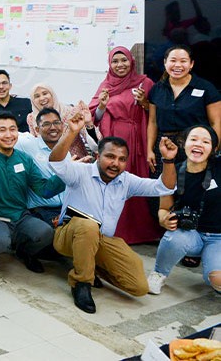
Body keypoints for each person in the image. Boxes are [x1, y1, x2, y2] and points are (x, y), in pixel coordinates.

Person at [49, 112, 178, 314]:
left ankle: (90, 267)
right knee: (87, 224)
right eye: (110, 156)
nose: (115, 163)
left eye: (121, 159)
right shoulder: (80, 172)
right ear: (98, 156)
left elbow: (165, 188)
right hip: (68, 236)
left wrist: (168, 160)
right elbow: (57, 162)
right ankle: (81, 283)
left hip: (101, 241)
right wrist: (71, 133)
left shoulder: (126, 181)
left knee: (139, 286)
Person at [0, 112, 65, 273]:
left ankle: (26, 252)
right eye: (2, 130)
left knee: (46, 233)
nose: (8, 135)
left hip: (20, 216)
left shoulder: (25, 159)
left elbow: (44, 190)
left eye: (12, 129)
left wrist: (65, 174)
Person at [88, 46, 159, 244]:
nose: (120, 65)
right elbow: (94, 116)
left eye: (124, 60)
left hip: (139, 138)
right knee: (115, 181)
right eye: (115, 61)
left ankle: (141, 231)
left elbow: (155, 113)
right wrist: (102, 105)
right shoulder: (106, 84)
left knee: (138, 180)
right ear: (110, 64)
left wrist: (144, 102)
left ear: (131, 61)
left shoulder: (145, 82)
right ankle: (117, 230)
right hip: (116, 140)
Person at [147, 125, 221, 295]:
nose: (199, 144)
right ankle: (159, 273)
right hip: (189, 234)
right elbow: (163, 209)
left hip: (218, 238)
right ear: (183, 143)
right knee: (174, 238)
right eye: (193, 139)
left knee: (217, 280)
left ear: (214, 149)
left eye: (206, 141)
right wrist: (164, 219)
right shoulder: (172, 172)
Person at [147, 45, 221, 176]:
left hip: (195, 145)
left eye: (183, 61)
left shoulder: (206, 88)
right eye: (173, 60)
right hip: (164, 146)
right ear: (165, 62)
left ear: (191, 64)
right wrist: (149, 149)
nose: (177, 65)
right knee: (164, 188)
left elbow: (216, 122)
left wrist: (214, 148)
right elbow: (152, 123)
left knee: (192, 187)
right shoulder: (157, 89)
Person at [26, 84, 98, 160]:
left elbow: (95, 145)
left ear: (52, 95)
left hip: (77, 163)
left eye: (45, 93)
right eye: (37, 96)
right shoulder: (32, 118)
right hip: (48, 165)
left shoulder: (71, 112)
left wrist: (88, 123)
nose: (42, 98)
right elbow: (34, 146)